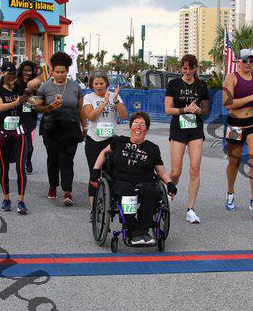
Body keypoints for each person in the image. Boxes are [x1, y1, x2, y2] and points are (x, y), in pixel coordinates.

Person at [90, 111, 177, 245]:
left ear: (146, 130)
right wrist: (96, 170)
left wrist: (170, 184)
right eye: (136, 123)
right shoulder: (119, 141)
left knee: (151, 192)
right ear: (130, 127)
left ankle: (143, 231)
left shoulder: (152, 148)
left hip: (144, 181)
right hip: (121, 180)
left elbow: (161, 171)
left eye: (142, 125)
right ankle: (133, 231)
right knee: (127, 193)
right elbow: (103, 152)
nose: (138, 127)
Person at [222, 49, 253, 216]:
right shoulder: (231, 77)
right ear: (238, 62)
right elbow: (227, 104)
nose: (249, 63)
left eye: (251, 60)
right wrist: (251, 98)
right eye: (246, 60)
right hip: (235, 124)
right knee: (233, 161)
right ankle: (230, 193)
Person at [35, 52, 87, 206]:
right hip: (50, 127)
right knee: (52, 158)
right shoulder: (45, 87)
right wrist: (49, 107)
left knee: (67, 159)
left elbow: (81, 108)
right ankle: (53, 186)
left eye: (62, 72)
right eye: (56, 72)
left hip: (70, 128)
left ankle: (67, 191)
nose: (59, 75)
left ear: (67, 71)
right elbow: (37, 108)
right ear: (52, 71)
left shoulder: (75, 87)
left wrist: (84, 126)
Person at [164, 54, 209, 224]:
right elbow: (168, 110)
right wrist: (185, 110)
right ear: (181, 68)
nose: (188, 71)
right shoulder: (174, 84)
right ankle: (168, 189)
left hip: (195, 130)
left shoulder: (202, 85)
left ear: (196, 68)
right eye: (184, 68)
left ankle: (191, 209)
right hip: (178, 129)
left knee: (195, 169)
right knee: (176, 172)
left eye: (191, 68)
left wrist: (198, 111)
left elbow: (206, 110)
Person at [83, 72, 128, 215]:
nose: (99, 86)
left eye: (101, 83)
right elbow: (91, 116)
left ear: (106, 84)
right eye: (96, 84)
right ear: (92, 85)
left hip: (111, 141)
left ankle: (111, 203)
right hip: (94, 140)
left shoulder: (115, 96)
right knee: (94, 174)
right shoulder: (88, 97)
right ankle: (94, 210)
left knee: (113, 173)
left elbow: (124, 116)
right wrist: (104, 102)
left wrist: (115, 101)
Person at [0, 61, 31, 214]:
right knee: (4, 168)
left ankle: (21, 201)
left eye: (14, 74)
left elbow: (29, 102)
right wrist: (17, 101)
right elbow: (0, 107)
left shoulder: (20, 88)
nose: (11, 77)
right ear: (2, 74)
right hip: (3, 134)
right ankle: (6, 199)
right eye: (9, 74)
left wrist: (31, 102)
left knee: (20, 167)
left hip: (19, 132)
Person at [17, 60, 42, 174]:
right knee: (19, 140)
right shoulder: (16, 83)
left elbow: (40, 99)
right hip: (18, 115)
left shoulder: (35, 83)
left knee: (28, 141)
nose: (27, 73)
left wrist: (34, 100)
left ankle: (28, 161)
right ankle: (20, 160)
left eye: (30, 70)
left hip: (31, 116)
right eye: (25, 70)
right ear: (21, 71)